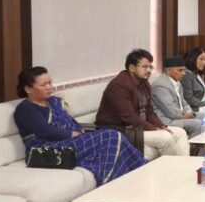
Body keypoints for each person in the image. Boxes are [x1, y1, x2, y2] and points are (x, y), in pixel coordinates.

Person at [13, 67, 146, 185]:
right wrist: (73, 134)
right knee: (111, 136)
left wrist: (80, 132)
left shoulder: (53, 102)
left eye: (50, 82)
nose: (49, 87)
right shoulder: (26, 109)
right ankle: (135, 171)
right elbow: (45, 132)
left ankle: (138, 172)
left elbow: (71, 122)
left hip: (68, 141)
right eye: (43, 85)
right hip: (47, 149)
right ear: (28, 89)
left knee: (114, 136)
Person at [95, 49, 190, 157]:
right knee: (166, 138)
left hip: (138, 129)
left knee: (180, 132)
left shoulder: (144, 84)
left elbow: (149, 112)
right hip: (120, 131)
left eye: (150, 67)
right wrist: (154, 129)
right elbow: (129, 118)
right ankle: (172, 167)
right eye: (145, 67)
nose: (149, 70)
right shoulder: (119, 86)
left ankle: (184, 165)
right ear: (132, 68)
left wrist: (161, 126)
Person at [151, 56, 202, 138]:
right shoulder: (160, 86)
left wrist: (189, 112)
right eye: (180, 70)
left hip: (179, 116)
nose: (184, 73)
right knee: (198, 124)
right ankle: (190, 145)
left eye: (184, 70)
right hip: (167, 120)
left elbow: (184, 103)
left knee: (204, 117)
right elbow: (171, 112)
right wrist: (186, 116)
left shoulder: (176, 82)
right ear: (168, 71)